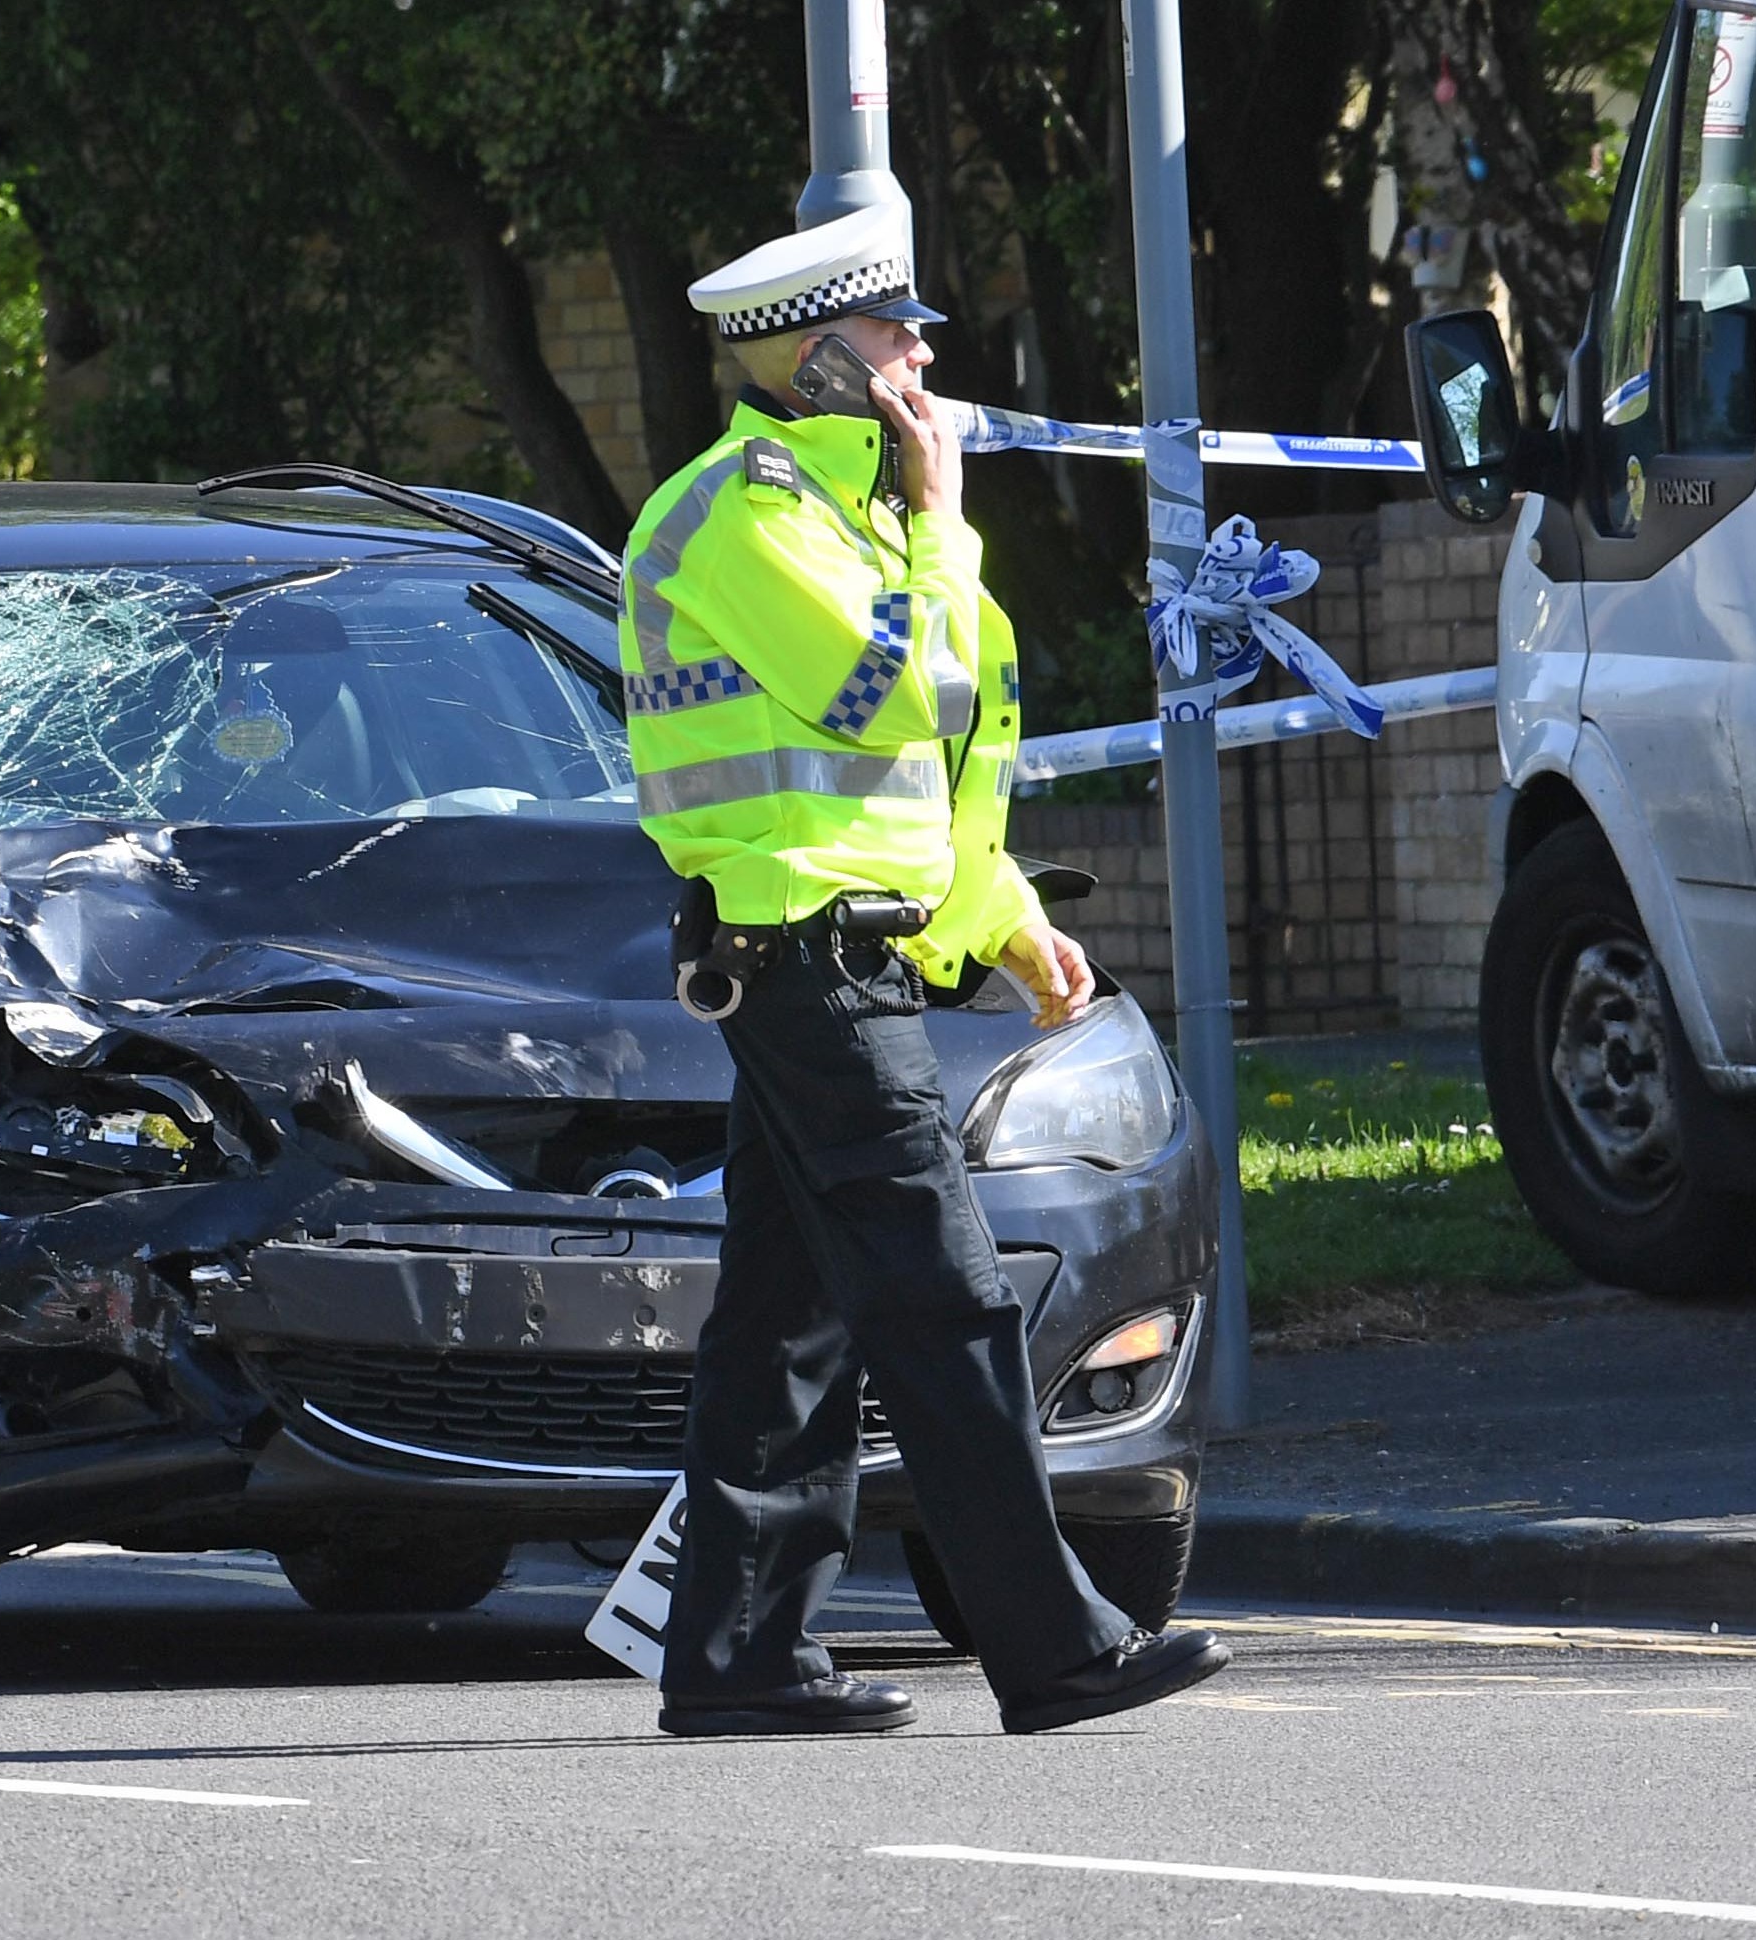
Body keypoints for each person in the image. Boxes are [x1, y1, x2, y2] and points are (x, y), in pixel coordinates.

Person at [627, 201, 1229, 1737]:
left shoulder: (860, 518)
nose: (919, 357)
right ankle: (1057, 1649)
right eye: (895, 335)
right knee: (946, 1299)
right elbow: (875, 696)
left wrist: (1005, 911)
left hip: (844, 952)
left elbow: (941, 765)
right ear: (816, 358)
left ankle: (737, 1658)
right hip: (794, 956)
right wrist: (942, 516)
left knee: (786, 1318)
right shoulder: (743, 520)